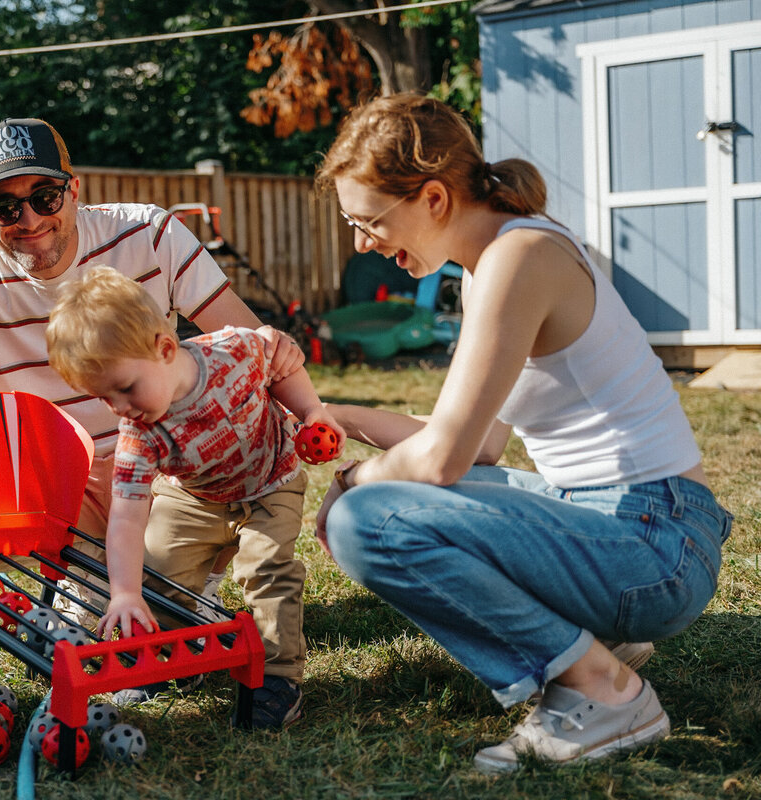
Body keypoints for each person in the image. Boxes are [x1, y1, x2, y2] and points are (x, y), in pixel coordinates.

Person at [312, 94, 733, 773]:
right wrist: (336, 416)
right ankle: (596, 646)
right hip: (632, 526)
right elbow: (476, 445)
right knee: (398, 499)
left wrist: (351, 481)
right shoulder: (495, 263)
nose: (363, 243)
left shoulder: (520, 258)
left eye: (369, 222)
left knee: (370, 523)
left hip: (655, 545)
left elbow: (444, 458)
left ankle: (603, 688)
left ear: (433, 199)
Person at [0, 118, 301, 611]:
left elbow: (254, 349)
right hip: (66, 478)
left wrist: (306, 414)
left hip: (171, 460)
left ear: (73, 189)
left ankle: (194, 576)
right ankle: (91, 583)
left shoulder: (150, 234)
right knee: (49, 470)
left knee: (228, 426)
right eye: (6, 207)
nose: (30, 220)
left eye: (45, 197)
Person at [45, 266, 344, 728]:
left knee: (268, 572)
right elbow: (126, 518)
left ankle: (278, 679)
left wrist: (311, 411)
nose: (120, 408)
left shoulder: (236, 350)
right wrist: (124, 592)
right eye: (105, 398)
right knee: (160, 570)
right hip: (195, 497)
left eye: (125, 388)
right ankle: (176, 655)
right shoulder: (139, 432)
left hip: (270, 481)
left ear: (166, 348)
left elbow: (283, 367)